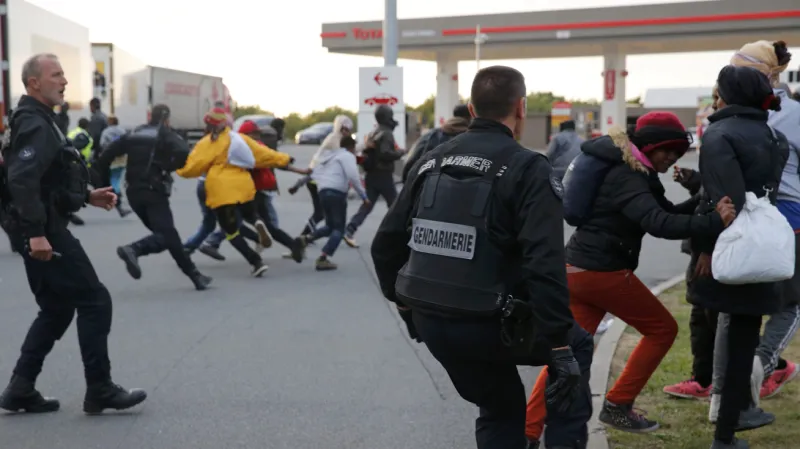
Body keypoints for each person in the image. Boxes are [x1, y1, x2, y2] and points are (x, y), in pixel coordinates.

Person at [372, 65, 594, 449]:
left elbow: (385, 245)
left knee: (501, 405)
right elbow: (545, 263)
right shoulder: (527, 168)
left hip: (432, 322)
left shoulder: (431, 160)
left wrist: (406, 308)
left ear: (472, 109)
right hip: (489, 320)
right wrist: (558, 344)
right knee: (576, 348)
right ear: (521, 108)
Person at [524, 111, 737, 440]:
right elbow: (658, 223)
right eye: (668, 151)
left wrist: (700, 200)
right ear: (650, 146)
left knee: (565, 356)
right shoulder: (628, 176)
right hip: (601, 272)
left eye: (678, 154)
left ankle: (527, 430)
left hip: (578, 269)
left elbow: (663, 212)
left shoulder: (633, 169)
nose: (672, 158)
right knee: (662, 329)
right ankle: (618, 404)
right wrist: (713, 222)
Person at [0, 53, 145, 414]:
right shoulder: (34, 122)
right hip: (43, 231)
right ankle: (100, 388)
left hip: (36, 228)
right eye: (56, 75)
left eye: (63, 74)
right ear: (34, 83)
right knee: (95, 301)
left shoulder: (39, 119)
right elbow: (23, 180)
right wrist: (36, 234)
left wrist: (86, 196)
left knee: (56, 308)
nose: (64, 81)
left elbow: (49, 182)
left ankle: (20, 387)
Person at [692, 65, 789, 449]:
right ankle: (731, 427)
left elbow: (722, 201)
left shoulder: (718, 135)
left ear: (728, 95)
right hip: (763, 243)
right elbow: (766, 194)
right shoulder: (773, 135)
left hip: (729, 246)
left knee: (726, 340)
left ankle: (724, 433)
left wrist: (703, 246)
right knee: (744, 339)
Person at [93, 104, 212, 290]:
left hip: (133, 193)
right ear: (166, 118)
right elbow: (182, 152)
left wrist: (107, 187)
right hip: (153, 191)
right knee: (166, 235)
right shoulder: (163, 133)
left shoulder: (134, 133)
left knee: (167, 235)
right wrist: (167, 166)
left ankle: (196, 277)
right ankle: (133, 249)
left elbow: (104, 156)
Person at [176, 107, 294, 277]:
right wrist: (285, 158)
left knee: (231, 232)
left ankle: (255, 262)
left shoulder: (207, 143)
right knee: (249, 213)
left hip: (221, 192)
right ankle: (256, 221)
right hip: (244, 186)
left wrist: (180, 171)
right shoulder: (239, 139)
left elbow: (194, 167)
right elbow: (262, 153)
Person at [200, 120, 308, 263]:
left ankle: (260, 244)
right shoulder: (259, 147)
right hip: (260, 189)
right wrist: (299, 169)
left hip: (250, 189)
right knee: (264, 224)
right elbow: (274, 160)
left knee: (236, 224)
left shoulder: (242, 147)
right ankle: (291, 244)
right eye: (255, 133)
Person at [301, 135, 368, 270]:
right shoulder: (348, 156)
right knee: (339, 229)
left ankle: (306, 239)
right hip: (336, 192)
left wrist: (298, 185)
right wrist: (364, 196)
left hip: (323, 191)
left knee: (330, 226)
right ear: (352, 147)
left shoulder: (331, 156)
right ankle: (323, 258)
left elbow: (315, 172)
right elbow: (353, 177)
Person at [343, 105, 405, 248]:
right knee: (395, 206)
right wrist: (401, 152)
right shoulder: (387, 133)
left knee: (367, 205)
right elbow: (385, 154)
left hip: (371, 175)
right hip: (383, 175)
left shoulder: (373, 132)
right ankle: (399, 234)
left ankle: (350, 229)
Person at [289, 114, 354, 238]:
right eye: (344, 129)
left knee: (321, 213)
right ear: (339, 127)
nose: (346, 132)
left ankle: (308, 236)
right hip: (318, 181)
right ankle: (305, 237)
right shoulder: (335, 139)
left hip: (319, 179)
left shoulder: (336, 138)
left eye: (348, 130)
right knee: (321, 213)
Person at [401, 103, 471, 182]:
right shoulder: (473, 138)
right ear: (471, 116)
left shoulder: (431, 135)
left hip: (430, 187)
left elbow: (412, 160)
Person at [98, 115, 131, 217]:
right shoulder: (122, 131)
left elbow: (102, 144)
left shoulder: (106, 132)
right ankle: (118, 194)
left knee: (113, 178)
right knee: (117, 177)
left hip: (111, 158)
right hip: (122, 158)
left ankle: (116, 195)